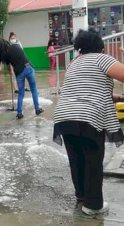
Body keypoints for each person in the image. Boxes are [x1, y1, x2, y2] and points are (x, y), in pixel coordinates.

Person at [53, 29, 124, 216]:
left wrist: (116, 97)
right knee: (93, 159)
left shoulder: (74, 63)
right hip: (89, 117)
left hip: (64, 116)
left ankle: (82, 196)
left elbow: (86, 89)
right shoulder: (102, 59)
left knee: (76, 158)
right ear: (100, 46)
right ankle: (93, 206)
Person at [0, 39, 43, 119]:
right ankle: (37, 109)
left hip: (19, 73)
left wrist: (10, 72)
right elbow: (23, 55)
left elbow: (9, 67)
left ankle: (19, 113)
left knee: (21, 93)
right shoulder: (16, 45)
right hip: (28, 67)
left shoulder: (5, 54)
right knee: (33, 89)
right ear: (8, 43)